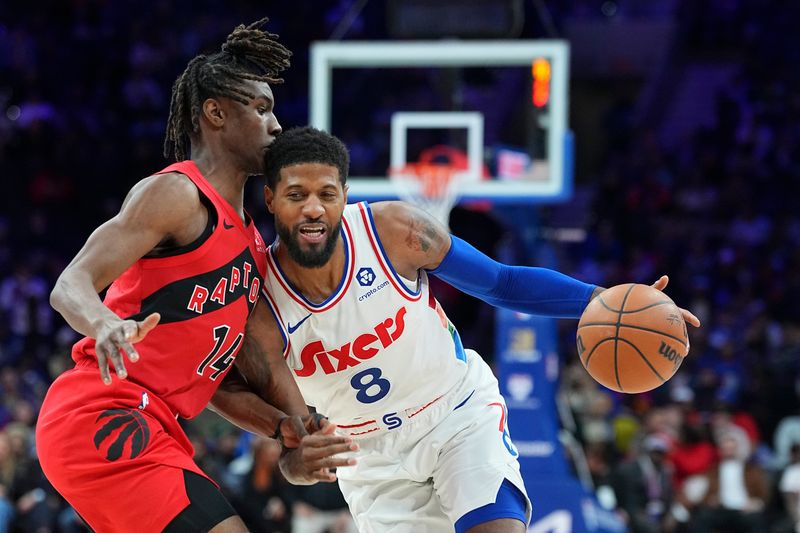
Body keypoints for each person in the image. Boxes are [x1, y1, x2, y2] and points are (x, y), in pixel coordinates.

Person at [257, 126, 701, 532]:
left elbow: (500, 282)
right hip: (369, 458)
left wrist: (606, 301)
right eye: (296, 195)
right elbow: (288, 446)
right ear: (271, 198)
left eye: (327, 193)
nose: (314, 208)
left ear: (345, 195)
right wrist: (297, 464)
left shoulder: (393, 231)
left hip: (456, 414)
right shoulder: (259, 302)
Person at [36, 21, 354, 533]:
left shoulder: (251, 240)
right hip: (104, 407)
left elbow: (219, 383)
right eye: (261, 108)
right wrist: (103, 324)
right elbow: (70, 283)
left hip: (158, 420)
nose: (276, 126)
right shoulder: (179, 196)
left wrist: (284, 426)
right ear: (216, 112)